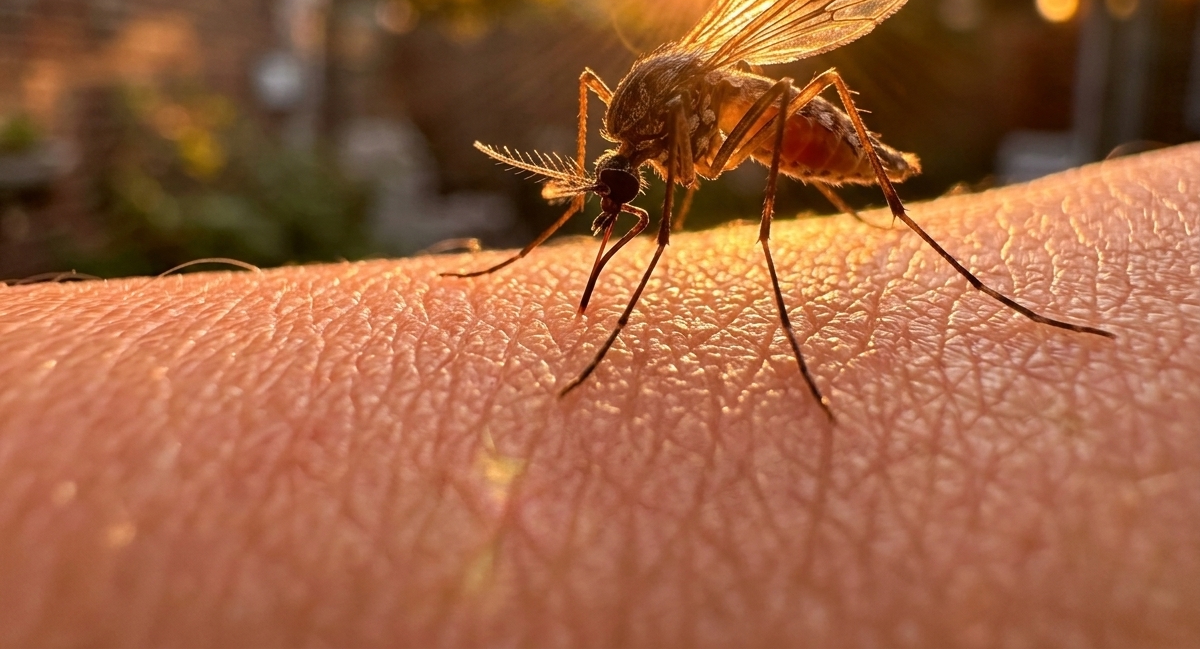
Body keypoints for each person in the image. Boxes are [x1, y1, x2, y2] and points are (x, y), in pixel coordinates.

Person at [1, 144, 1196, 647]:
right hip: (724, 117)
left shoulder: (696, 130)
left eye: (612, 192)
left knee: (770, 221)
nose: (619, 201)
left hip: (795, 126)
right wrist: (568, 237)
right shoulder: (637, 138)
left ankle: (992, 286)